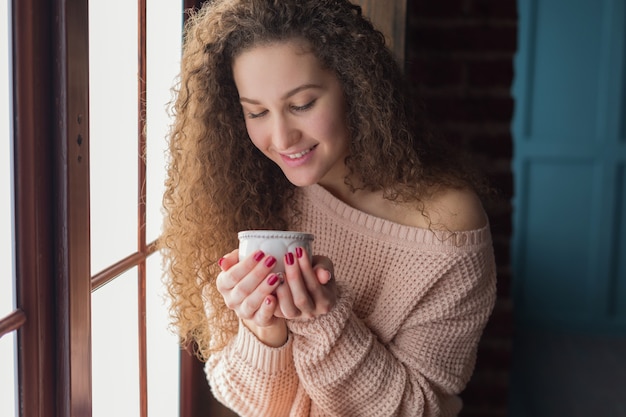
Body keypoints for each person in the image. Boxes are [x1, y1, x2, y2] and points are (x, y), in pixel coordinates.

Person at [160, 0, 497, 415]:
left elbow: (421, 408)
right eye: (257, 112)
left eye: (301, 104)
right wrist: (264, 330)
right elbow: (256, 404)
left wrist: (326, 321)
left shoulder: (446, 225)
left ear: (355, 86)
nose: (281, 139)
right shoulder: (240, 196)